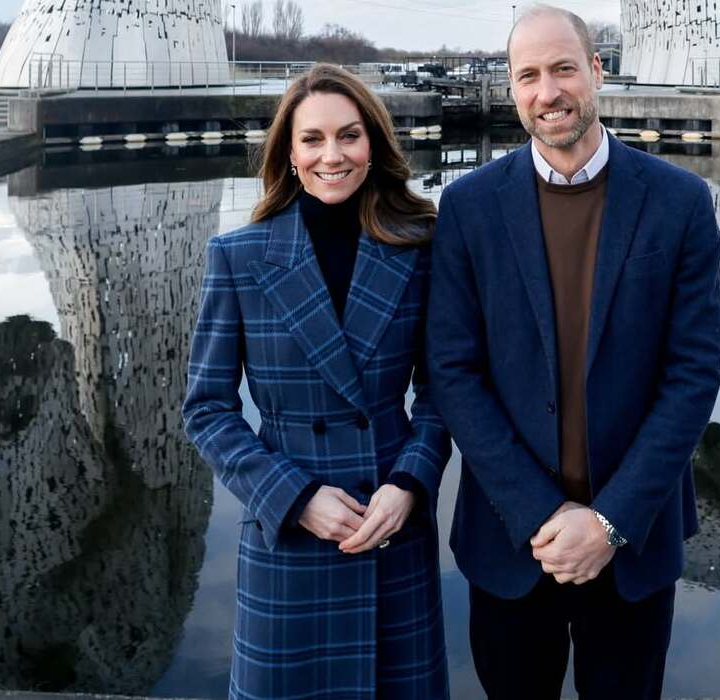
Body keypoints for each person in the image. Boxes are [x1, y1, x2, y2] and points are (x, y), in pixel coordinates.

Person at [426, 6, 720, 700]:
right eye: (528, 75)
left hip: (634, 544)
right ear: (510, 87)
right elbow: (452, 371)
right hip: (510, 542)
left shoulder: (680, 201)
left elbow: (692, 375)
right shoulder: (468, 208)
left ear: (596, 70)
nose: (547, 91)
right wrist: (542, 513)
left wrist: (610, 520)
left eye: (563, 68)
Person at [183, 64, 451, 700]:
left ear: (374, 145)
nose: (333, 155)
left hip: (389, 517)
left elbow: (443, 394)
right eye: (313, 139)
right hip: (288, 530)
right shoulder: (239, 256)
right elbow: (208, 410)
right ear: (290, 153)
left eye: (349, 136)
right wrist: (296, 496)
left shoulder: (421, 246)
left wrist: (410, 484)